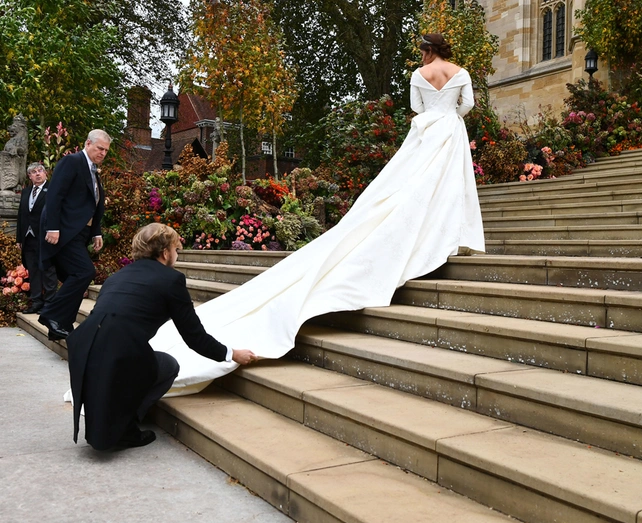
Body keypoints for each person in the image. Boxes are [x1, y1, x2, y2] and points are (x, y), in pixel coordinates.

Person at [150, 33, 484, 396]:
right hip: (449, 130)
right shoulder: (461, 72)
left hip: (425, 132)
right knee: (448, 186)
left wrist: (435, 112)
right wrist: (448, 113)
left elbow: (418, 110)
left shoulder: (419, 75)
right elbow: (466, 107)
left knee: (410, 187)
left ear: (426, 50)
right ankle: (449, 236)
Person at [66, 223, 257, 450]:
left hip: (85, 350)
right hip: (117, 353)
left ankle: (115, 418)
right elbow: (194, 336)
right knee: (168, 365)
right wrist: (232, 354)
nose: (177, 254)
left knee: (137, 356)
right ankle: (126, 429)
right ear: (165, 252)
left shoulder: (118, 276)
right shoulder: (171, 280)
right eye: (177, 249)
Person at [38, 129, 109, 341]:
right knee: (84, 272)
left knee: (74, 277)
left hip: (79, 233)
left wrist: (95, 231)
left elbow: (93, 204)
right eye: (100, 148)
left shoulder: (92, 170)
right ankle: (51, 315)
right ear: (88, 143)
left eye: (106, 150)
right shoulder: (72, 162)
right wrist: (52, 227)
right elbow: (54, 195)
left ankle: (60, 326)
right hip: (64, 232)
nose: (103, 153)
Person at [15, 163, 58, 314]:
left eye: (40, 171)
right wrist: (19, 238)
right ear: (30, 176)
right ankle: (36, 302)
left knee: (48, 270)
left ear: (46, 173)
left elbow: (56, 212)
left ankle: (50, 304)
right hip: (28, 237)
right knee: (33, 270)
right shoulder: (26, 192)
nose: (38, 174)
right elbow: (21, 215)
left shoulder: (52, 190)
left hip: (46, 236)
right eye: (34, 172)